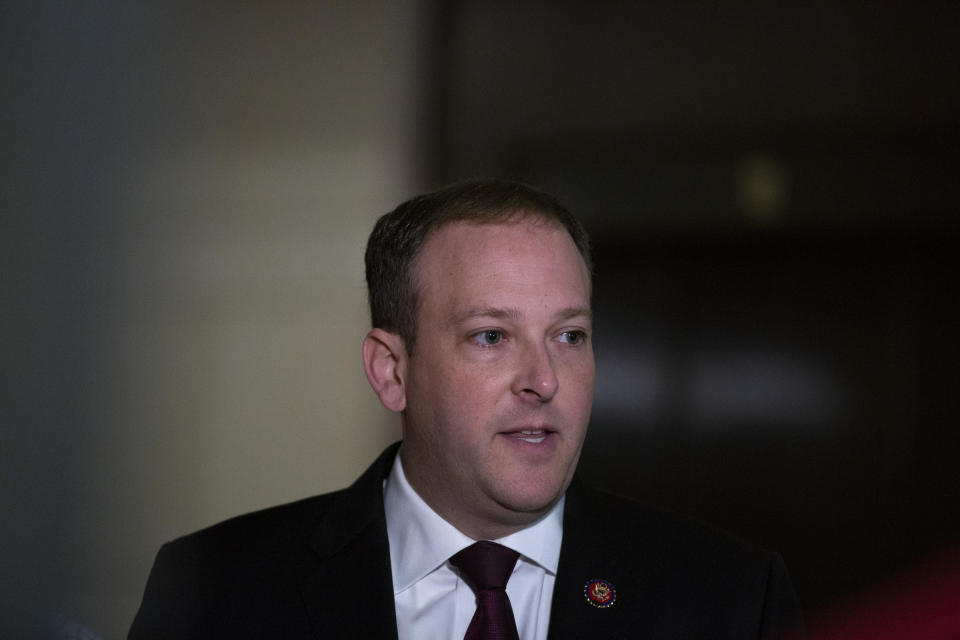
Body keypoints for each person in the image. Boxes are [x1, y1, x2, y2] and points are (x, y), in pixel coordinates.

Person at [129, 179, 803, 639]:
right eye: (491, 337)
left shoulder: (732, 600)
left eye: (569, 336)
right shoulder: (214, 592)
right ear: (392, 371)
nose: (543, 379)